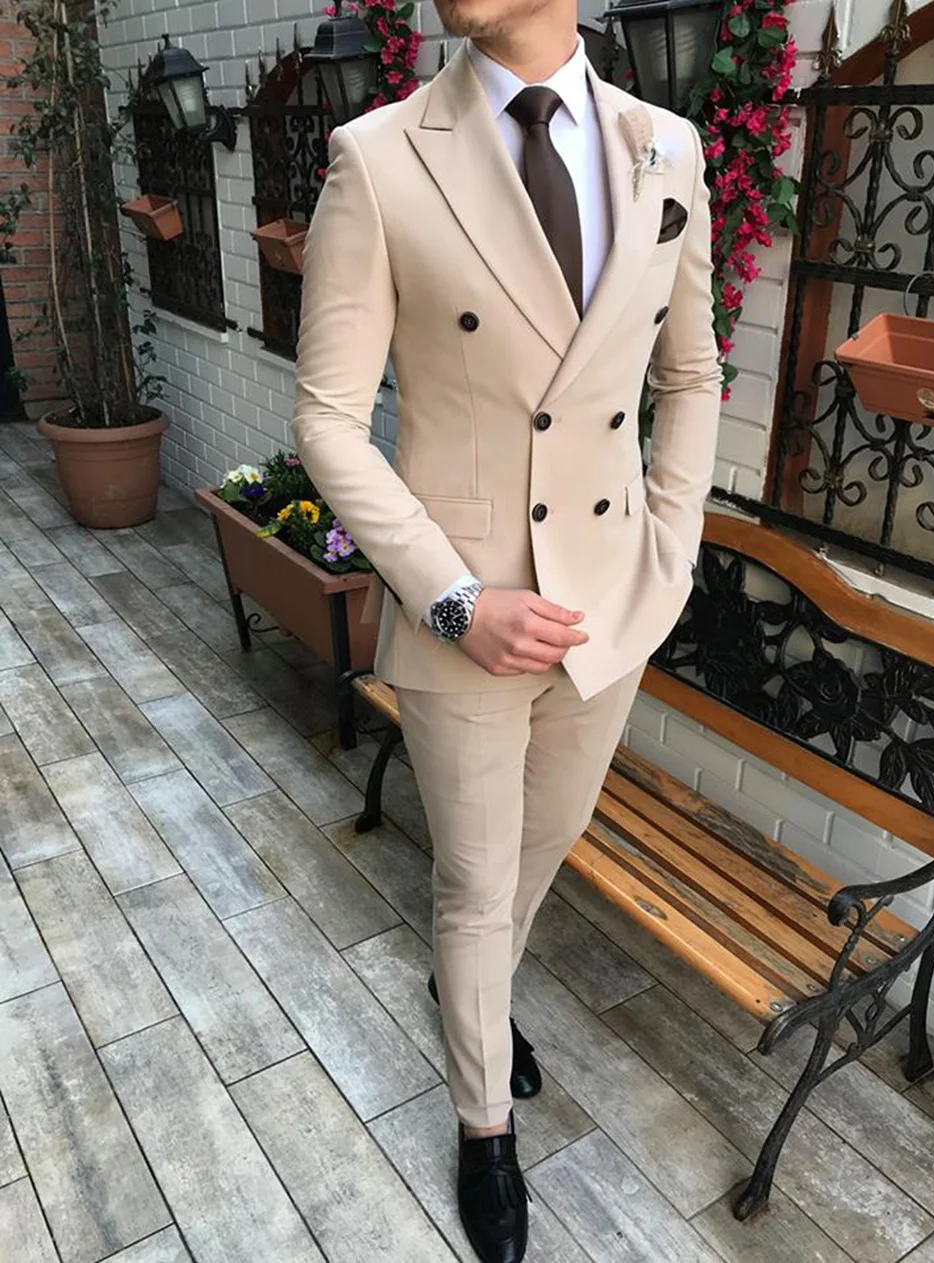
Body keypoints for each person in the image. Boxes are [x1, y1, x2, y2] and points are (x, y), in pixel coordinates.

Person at [293, 0, 721, 1257]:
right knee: (475, 886)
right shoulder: (380, 156)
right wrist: (450, 596)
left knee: (547, 841)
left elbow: (690, 372)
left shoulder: (667, 146)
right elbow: (326, 417)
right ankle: (485, 1127)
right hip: (466, 608)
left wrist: (668, 545)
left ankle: (467, 989)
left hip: (608, 602)